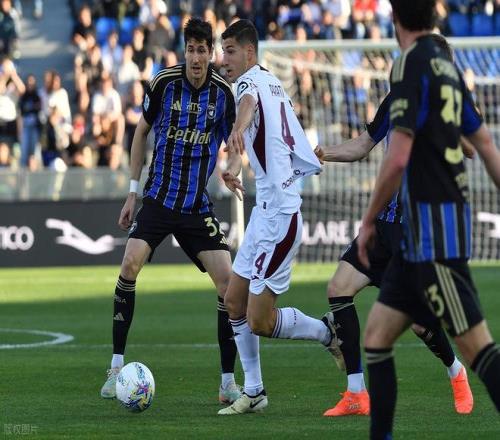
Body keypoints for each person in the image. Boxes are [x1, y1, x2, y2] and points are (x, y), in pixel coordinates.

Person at [355, 1, 500, 438]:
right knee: (377, 337)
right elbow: (485, 144)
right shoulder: (446, 68)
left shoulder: (407, 65)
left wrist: (369, 219)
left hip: (436, 237)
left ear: (395, 19)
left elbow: (397, 156)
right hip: (416, 240)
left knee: (476, 347)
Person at [315, 33, 474, 417]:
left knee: (419, 323)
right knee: (339, 288)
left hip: (416, 231)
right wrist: (323, 154)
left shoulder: (448, 105)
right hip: (384, 224)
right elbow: (363, 145)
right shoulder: (395, 100)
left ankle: (456, 371)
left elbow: (471, 147)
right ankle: (356, 392)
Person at [100, 17, 241, 406]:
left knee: (229, 285)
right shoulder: (163, 83)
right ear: (185, 51)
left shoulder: (223, 95)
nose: (196, 58)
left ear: (211, 54)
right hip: (159, 199)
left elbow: (235, 145)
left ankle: (228, 382)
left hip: (196, 206)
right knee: (129, 264)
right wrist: (132, 193)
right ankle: (115, 369)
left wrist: (233, 169)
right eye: (191, 49)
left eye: (202, 50)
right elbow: (140, 133)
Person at [217, 19, 337, 416]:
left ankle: (326, 332)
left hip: (282, 216)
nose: (224, 59)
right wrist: (233, 163)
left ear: (249, 52)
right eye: (223, 51)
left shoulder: (248, 85)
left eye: (230, 51)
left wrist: (236, 128)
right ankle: (254, 391)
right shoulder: (271, 81)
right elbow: (250, 133)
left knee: (259, 321)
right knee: (233, 302)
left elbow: (247, 111)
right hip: (264, 214)